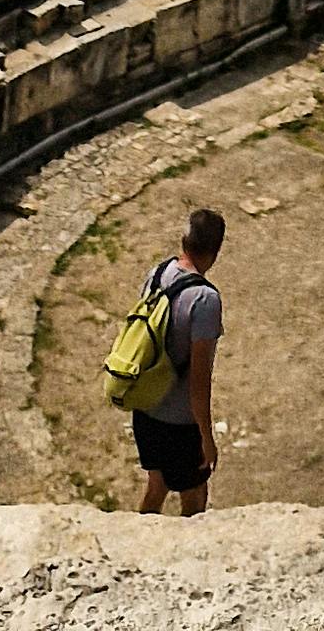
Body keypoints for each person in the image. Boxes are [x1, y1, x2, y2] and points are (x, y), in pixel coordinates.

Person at [131, 206, 225, 514]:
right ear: (214, 251)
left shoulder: (156, 274)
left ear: (183, 241)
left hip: (145, 410)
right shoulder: (205, 300)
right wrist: (206, 438)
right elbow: (199, 381)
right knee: (195, 495)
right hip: (180, 425)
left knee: (156, 486)